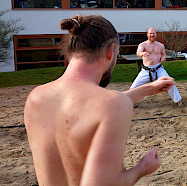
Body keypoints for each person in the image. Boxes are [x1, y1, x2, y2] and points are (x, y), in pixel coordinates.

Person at [24, 15, 176, 185]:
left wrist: (148, 89)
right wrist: (142, 168)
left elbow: (85, 108)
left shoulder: (35, 98)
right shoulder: (113, 104)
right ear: (111, 52)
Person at [130, 27, 183, 106]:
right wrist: (142, 54)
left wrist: (163, 57)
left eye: (153, 33)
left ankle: (178, 101)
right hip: (146, 70)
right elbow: (138, 52)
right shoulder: (143, 45)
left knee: (169, 82)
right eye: (150, 33)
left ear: (156, 34)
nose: (152, 35)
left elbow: (163, 54)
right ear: (147, 35)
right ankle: (128, 101)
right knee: (134, 87)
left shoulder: (160, 45)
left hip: (159, 69)